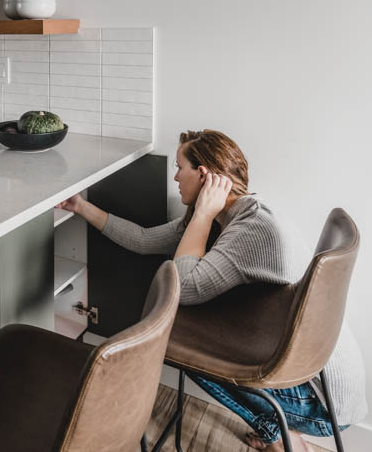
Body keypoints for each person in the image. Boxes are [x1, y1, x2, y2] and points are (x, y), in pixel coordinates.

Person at [58, 129, 367, 451]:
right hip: (307, 374)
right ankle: (280, 434)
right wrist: (81, 207)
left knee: (166, 338)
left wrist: (203, 215)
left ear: (203, 174)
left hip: (319, 402)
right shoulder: (237, 213)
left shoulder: (251, 228)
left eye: (180, 167)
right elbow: (144, 240)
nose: (175, 177)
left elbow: (184, 289)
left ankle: (280, 436)